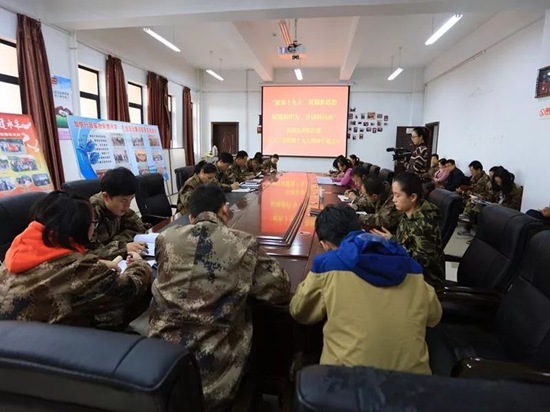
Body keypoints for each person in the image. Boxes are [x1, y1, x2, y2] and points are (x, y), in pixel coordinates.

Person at [149, 184, 291, 411]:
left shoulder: (165, 238)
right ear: (225, 210)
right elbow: (279, 288)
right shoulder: (242, 243)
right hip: (212, 381)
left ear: (191, 217)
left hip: (157, 368)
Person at [290, 204, 441, 374]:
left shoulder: (327, 266)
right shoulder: (411, 267)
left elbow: (299, 311)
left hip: (348, 382)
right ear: (359, 228)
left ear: (325, 245)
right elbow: (434, 316)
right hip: (413, 384)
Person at [0, 191, 152, 328]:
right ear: (80, 227)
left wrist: (95, 263)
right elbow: (129, 288)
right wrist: (139, 264)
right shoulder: (78, 268)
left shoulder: (20, 248)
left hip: (13, 337)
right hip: (45, 343)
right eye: (93, 223)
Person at [372, 172, 445, 287]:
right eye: (393, 195)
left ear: (413, 197)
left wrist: (393, 247)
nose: (394, 200)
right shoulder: (409, 213)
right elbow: (409, 244)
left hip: (424, 283)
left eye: (397, 196)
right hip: (408, 272)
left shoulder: (424, 224)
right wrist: (391, 239)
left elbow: (422, 262)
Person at [88, 167, 147, 260]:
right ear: (106, 197)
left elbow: (139, 228)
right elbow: (89, 251)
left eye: (131, 200)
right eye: (124, 201)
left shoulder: (120, 208)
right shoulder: (90, 213)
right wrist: (123, 247)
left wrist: (118, 241)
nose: (127, 206)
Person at [457, 161, 493, 235]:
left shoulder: (486, 179)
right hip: (473, 197)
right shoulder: (474, 178)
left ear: (478, 170)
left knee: (473, 205)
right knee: (456, 198)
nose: (471, 172)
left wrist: (477, 196)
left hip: (482, 199)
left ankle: (467, 225)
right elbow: (472, 189)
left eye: (472, 171)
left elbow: (490, 195)